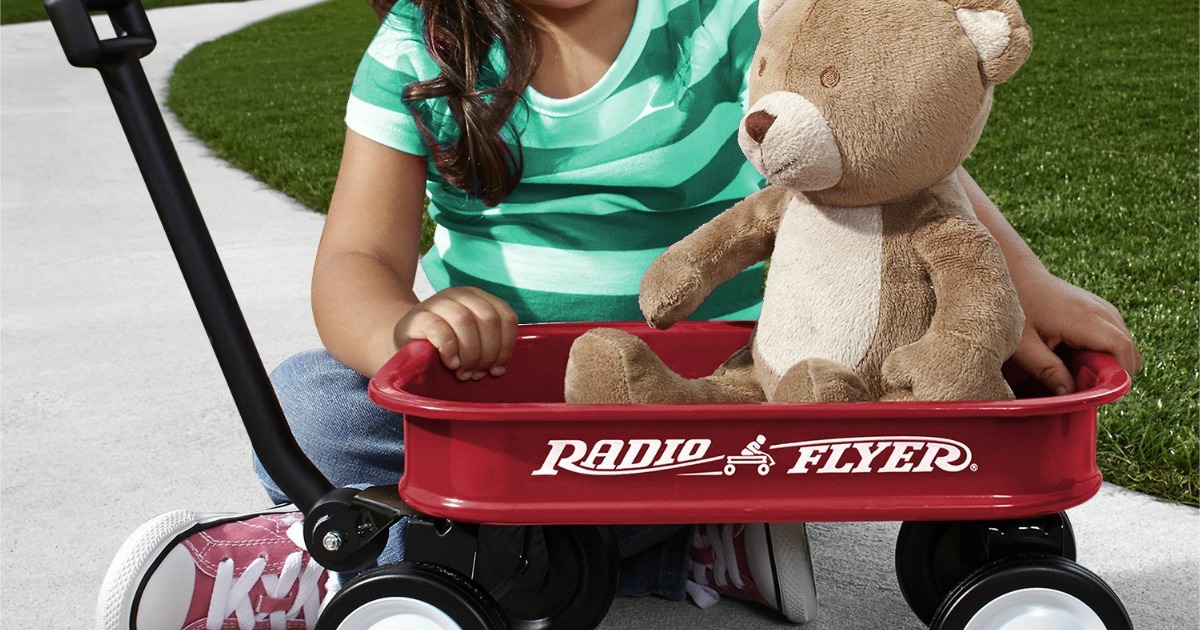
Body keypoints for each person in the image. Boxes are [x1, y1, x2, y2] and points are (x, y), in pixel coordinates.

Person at [94, 0, 1144, 627]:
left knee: (938, 375)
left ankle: (496, 548)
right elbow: (360, 259)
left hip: (727, 386)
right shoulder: (426, 48)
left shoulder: (721, 16)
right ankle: (679, 543)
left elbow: (886, 156)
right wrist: (405, 332)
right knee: (313, 408)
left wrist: (1022, 283)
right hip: (524, 404)